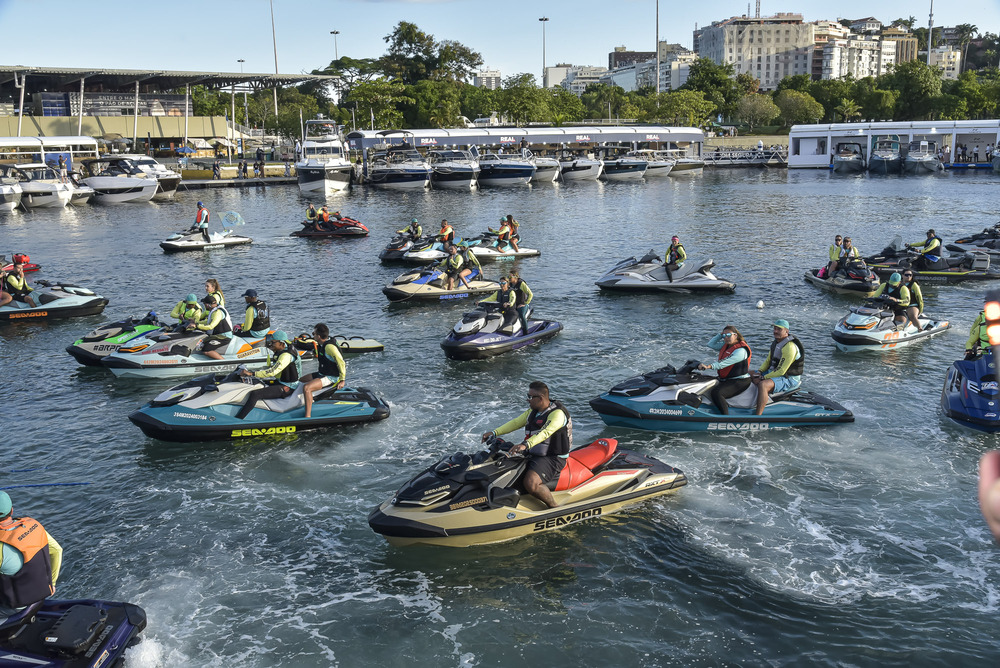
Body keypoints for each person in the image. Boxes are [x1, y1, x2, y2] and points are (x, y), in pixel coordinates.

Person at [481, 380, 572, 509]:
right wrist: (495, 433)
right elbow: (516, 422)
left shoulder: (557, 414)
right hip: (533, 451)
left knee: (531, 483)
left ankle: (554, 507)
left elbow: (545, 433)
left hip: (552, 458)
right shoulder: (534, 411)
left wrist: (525, 445)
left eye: (530, 397)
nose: (527, 399)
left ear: (540, 398)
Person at [0, 492, 62, 617]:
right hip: (41, 596)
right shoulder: (34, 526)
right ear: (11, 511)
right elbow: (57, 550)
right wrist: (52, 583)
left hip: (13, 607)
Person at [236, 330, 300, 419]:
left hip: (287, 387)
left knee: (255, 394)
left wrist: (251, 373)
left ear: (281, 343)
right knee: (255, 382)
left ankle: (239, 419)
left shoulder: (286, 356)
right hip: (280, 381)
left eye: (273, 342)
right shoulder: (282, 350)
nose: (271, 344)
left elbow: (272, 372)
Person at [751, 319, 803, 416]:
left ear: (786, 331)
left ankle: (758, 415)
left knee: (763, 385)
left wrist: (763, 377)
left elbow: (782, 371)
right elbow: (768, 361)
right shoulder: (777, 343)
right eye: (774, 328)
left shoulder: (790, 347)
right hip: (775, 372)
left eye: (779, 329)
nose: (775, 331)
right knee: (748, 373)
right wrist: (759, 371)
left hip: (788, 378)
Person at [698, 325, 752, 415]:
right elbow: (710, 344)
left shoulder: (741, 351)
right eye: (724, 336)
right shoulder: (726, 345)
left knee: (717, 393)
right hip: (727, 379)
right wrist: (720, 335)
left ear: (736, 335)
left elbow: (723, 364)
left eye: (729, 335)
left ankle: (725, 416)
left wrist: (709, 366)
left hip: (740, 381)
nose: (726, 338)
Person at [298, 323, 346, 419]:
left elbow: (341, 362)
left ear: (319, 336)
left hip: (331, 377)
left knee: (307, 388)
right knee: (300, 380)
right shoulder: (321, 344)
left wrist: (342, 379)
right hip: (322, 373)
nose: (312, 335)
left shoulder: (329, 347)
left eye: (314, 333)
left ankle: (307, 416)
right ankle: (309, 400)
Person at [193, 294, 232, 360]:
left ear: (208, 305)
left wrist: (197, 326)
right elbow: (207, 322)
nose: (204, 306)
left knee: (206, 349)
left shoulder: (218, 312)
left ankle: (223, 362)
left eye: (204, 304)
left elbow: (211, 326)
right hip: (218, 335)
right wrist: (195, 323)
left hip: (224, 337)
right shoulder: (214, 311)